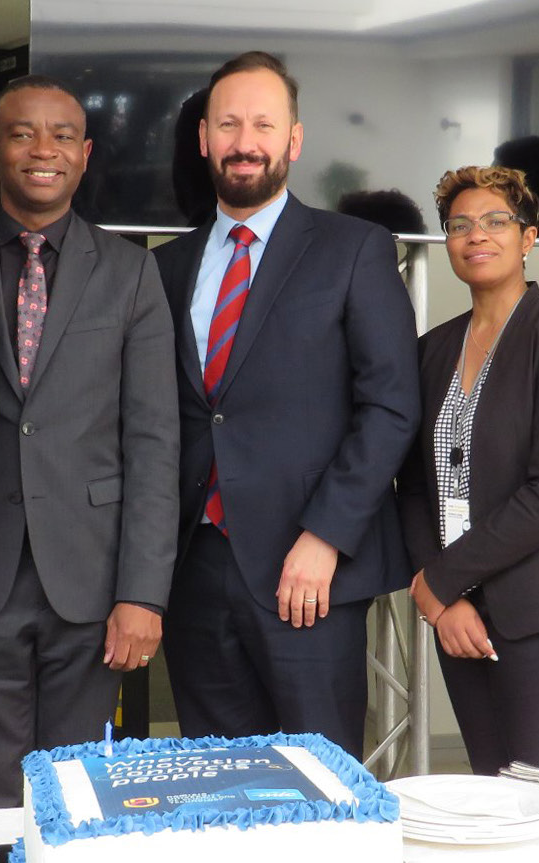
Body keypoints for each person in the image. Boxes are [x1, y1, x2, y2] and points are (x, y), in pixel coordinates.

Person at [154, 51, 420, 756]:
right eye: (230, 124)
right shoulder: (163, 267)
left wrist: (326, 535)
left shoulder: (355, 250)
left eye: (264, 124)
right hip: (194, 570)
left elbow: (390, 403)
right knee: (218, 788)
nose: (246, 141)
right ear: (204, 139)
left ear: (294, 141)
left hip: (308, 569)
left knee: (320, 781)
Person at [0, 75, 179, 807]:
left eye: (60, 136)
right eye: (22, 133)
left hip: (90, 578)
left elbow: (153, 440)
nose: (41, 149)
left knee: (75, 786)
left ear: (84, 155)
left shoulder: (131, 271)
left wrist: (142, 593)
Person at [397, 166, 539, 774]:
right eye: (460, 225)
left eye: (497, 221)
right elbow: (413, 484)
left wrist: (440, 583)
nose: (477, 236)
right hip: (461, 616)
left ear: (528, 239)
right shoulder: (430, 350)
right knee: (494, 796)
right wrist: (442, 600)